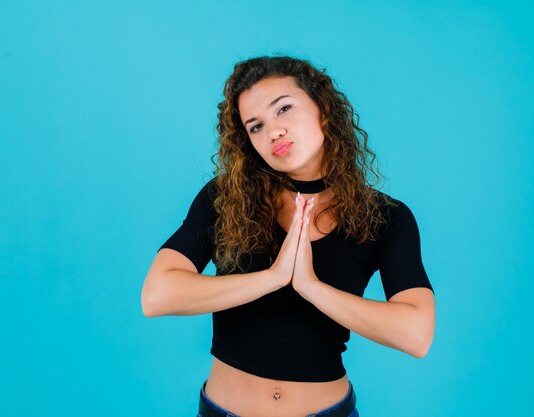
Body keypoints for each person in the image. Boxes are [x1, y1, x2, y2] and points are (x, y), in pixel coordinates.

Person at [141, 55, 436, 417]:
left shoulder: (386, 217)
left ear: (323, 110)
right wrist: (272, 278)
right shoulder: (226, 199)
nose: (273, 132)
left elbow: (416, 334)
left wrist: (311, 287)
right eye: (256, 126)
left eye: (283, 109)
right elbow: (157, 295)